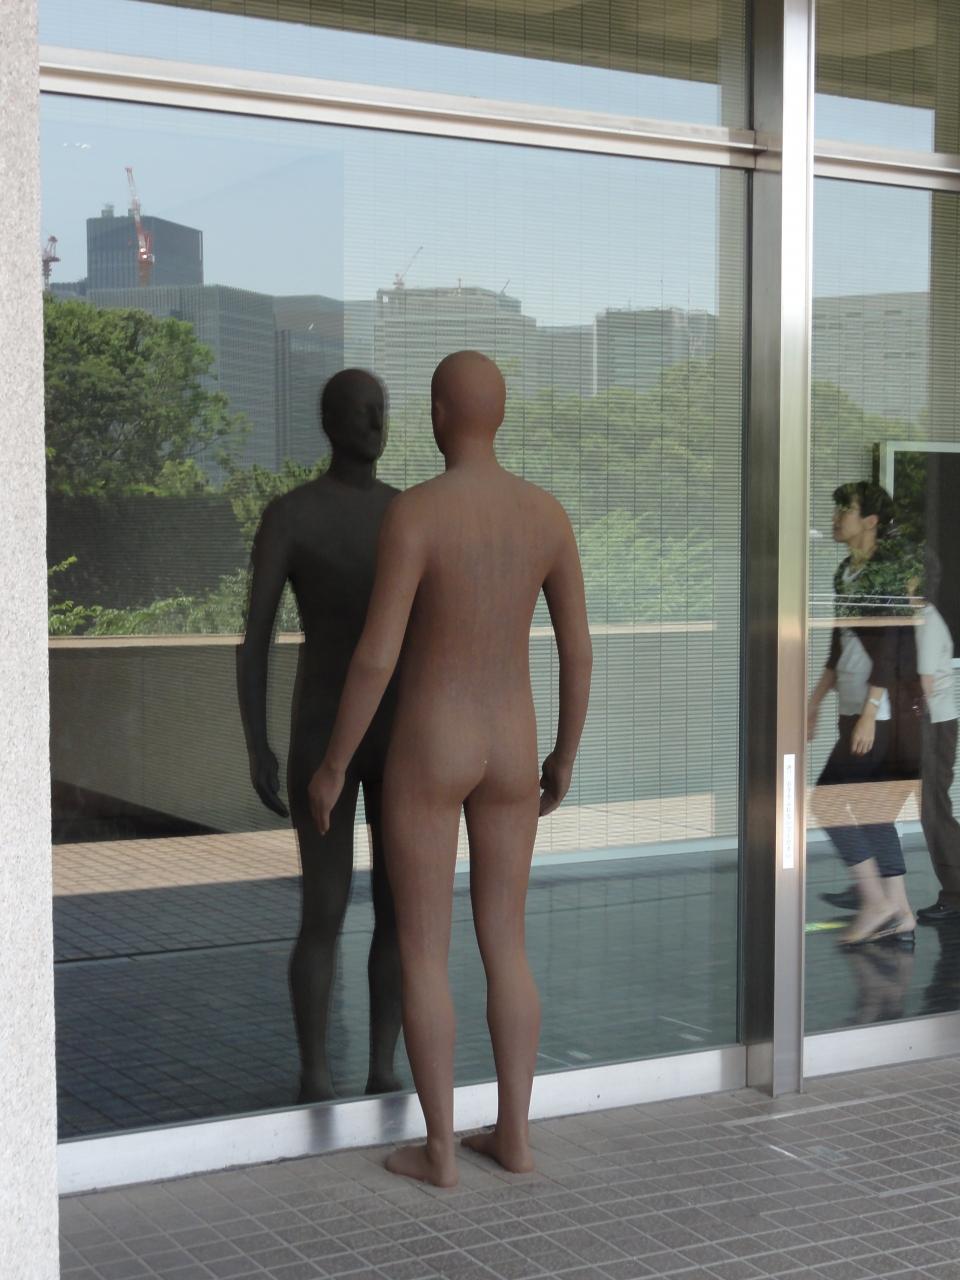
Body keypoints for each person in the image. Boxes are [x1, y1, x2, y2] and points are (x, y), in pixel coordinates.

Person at [309, 350, 592, 1187]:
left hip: (432, 740)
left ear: (438, 414)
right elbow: (578, 651)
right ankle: (515, 1138)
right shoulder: (546, 515)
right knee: (507, 942)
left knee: (423, 951)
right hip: (512, 741)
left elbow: (376, 657)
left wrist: (333, 764)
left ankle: (439, 1150)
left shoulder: (417, 514)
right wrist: (565, 752)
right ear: (497, 415)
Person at [237, 369, 402, 1103]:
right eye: (362, 411)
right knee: (325, 907)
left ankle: (383, 1067)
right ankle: (315, 1071)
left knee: (399, 908)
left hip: (394, 732)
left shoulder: (404, 513)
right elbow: (256, 638)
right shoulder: (293, 516)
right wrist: (257, 741)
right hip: (322, 728)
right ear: (332, 423)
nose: (375, 423)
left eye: (381, 410)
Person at [807, 481, 919, 947]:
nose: (837, 518)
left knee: (827, 802)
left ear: (870, 521)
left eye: (846, 510)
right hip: (855, 703)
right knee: (871, 809)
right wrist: (815, 699)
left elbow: (892, 644)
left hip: (883, 711)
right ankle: (901, 910)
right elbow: (839, 642)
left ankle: (874, 900)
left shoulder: (883, 572)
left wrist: (870, 713)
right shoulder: (846, 572)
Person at [915, 550, 960, 923]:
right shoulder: (918, 619)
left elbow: (924, 687)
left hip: (934, 726)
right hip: (928, 724)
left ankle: (956, 892)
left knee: (934, 811)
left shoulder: (928, 622)